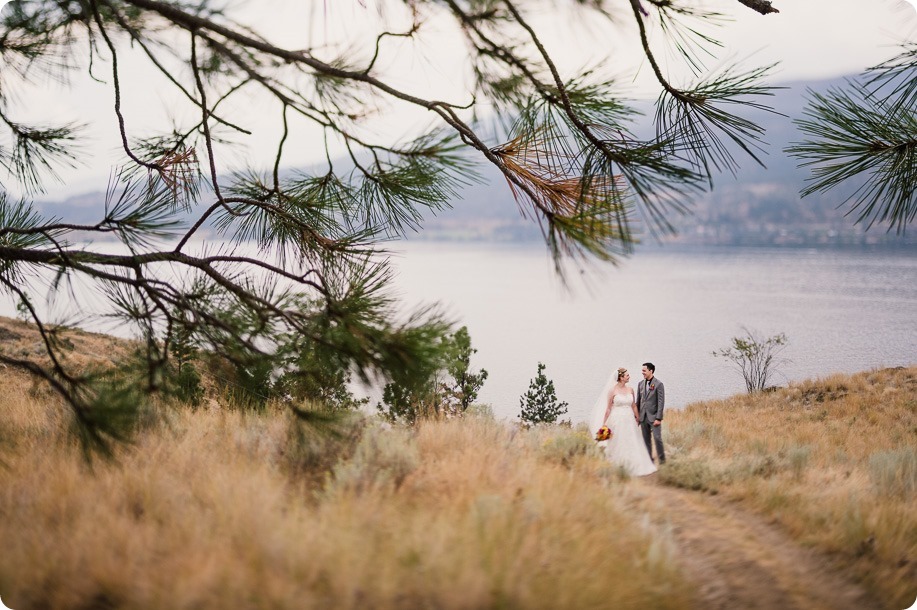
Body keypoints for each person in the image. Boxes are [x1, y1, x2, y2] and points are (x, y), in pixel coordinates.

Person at [592, 367, 657, 476]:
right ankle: (618, 466)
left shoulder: (630, 389)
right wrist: (604, 423)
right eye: (627, 375)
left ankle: (633, 465)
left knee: (631, 440)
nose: (629, 377)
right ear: (621, 378)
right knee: (618, 441)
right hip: (617, 420)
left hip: (629, 420)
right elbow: (608, 408)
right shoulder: (612, 391)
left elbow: (634, 405)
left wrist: (638, 418)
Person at [636, 362, 665, 464]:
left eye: (644, 370)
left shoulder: (659, 384)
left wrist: (658, 418)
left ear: (650, 371)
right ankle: (649, 461)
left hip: (654, 417)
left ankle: (662, 461)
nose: (642, 372)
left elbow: (661, 402)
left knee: (657, 439)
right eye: (642, 370)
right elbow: (638, 402)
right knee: (646, 440)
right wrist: (637, 417)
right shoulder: (640, 384)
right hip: (643, 417)